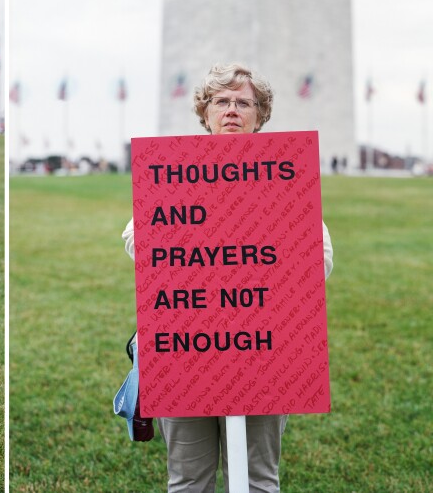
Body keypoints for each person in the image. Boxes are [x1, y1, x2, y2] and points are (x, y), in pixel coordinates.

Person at [121, 63, 334, 492]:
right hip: (185, 345)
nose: (232, 110)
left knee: (259, 479)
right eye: (222, 101)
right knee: (188, 480)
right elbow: (136, 240)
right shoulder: (175, 171)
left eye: (243, 102)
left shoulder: (283, 174)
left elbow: (319, 258)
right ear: (205, 111)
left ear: (260, 114)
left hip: (263, 347)